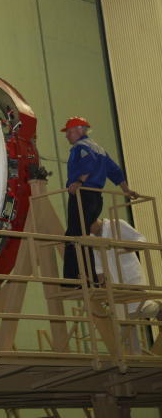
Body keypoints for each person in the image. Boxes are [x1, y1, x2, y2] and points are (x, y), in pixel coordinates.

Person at [60, 117, 139, 283]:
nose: (67, 135)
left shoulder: (81, 147)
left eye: (69, 131)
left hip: (82, 195)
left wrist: (79, 181)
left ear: (79, 130)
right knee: (83, 234)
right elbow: (115, 171)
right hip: (96, 198)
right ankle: (89, 276)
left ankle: (76, 277)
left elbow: (88, 162)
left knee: (73, 235)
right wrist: (126, 190)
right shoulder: (100, 149)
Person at [90, 218, 162, 354]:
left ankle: (158, 307)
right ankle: (134, 357)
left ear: (95, 220)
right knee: (124, 320)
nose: (88, 230)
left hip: (131, 278)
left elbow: (141, 239)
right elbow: (98, 266)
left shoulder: (117, 224)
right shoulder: (91, 238)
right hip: (115, 284)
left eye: (89, 226)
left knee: (139, 310)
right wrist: (103, 286)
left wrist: (128, 246)